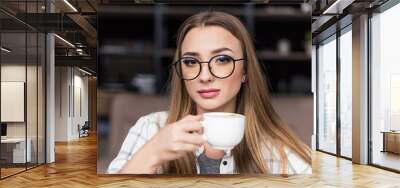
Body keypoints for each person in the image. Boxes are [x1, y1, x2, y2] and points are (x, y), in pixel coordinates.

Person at [107, 11, 311, 175]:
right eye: (191, 62)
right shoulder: (151, 128)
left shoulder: (278, 150)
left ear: (245, 71)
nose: (204, 76)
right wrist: (152, 153)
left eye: (222, 60)